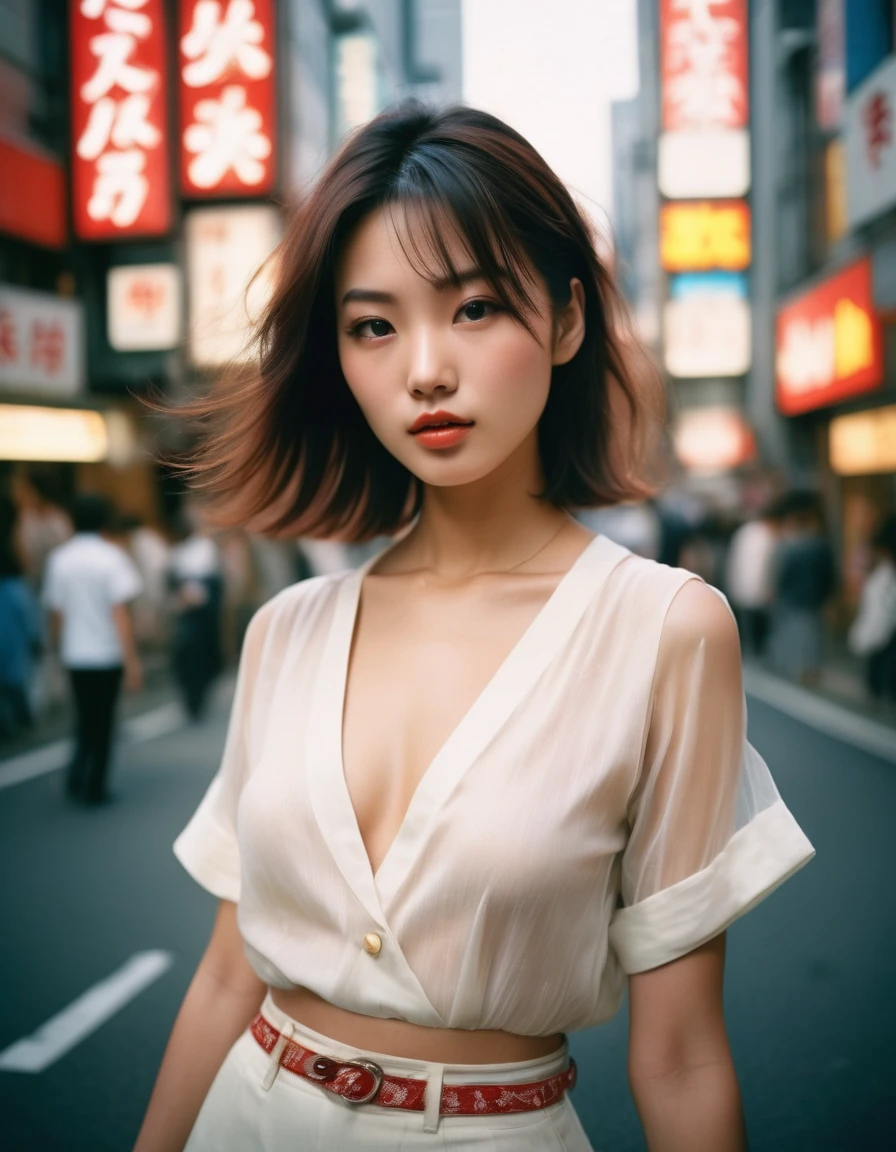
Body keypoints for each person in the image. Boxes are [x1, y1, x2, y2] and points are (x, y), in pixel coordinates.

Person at [136, 103, 815, 1152]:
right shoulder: (286, 631)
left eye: (475, 308)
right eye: (373, 325)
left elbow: (678, 1056)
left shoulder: (665, 632)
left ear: (566, 320)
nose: (423, 371)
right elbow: (230, 973)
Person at [42, 493, 143, 803]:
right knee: (104, 719)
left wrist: (59, 646)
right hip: (107, 653)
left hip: (76, 653)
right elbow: (120, 612)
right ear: (104, 521)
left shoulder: (60, 558)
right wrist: (131, 660)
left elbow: (56, 611)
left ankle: (76, 776)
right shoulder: (112, 557)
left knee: (83, 717)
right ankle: (95, 785)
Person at [768, 492, 837, 688]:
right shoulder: (820, 544)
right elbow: (829, 574)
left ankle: (800, 669)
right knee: (814, 635)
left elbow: (783, 574)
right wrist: (830, 598)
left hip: (793, 597)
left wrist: (776, 591)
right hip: (815, 597)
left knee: (797, 633)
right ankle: (812, 670)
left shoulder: (790, 546)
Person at [168, 509, 224, 722]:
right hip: (186, 613)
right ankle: (192, 698)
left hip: (203, 613)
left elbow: (213, 584)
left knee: (202, 655)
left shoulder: (203, 549)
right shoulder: (178, 552)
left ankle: (198, 696)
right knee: (188, 658)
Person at [0, 494, 43, 740]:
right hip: (12, 651)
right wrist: (35, 638)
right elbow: (26, 615)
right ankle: (20, 718)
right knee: (14, 681)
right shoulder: (13, 579)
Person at [848, 513, 896, 704]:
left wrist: (861, 637)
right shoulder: (884, 575)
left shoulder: (885, 576)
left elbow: (879, 616)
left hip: (883, 642)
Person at [724, 502, 782, 657]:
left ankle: (748, 650)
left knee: (746, 623)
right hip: (759, 589)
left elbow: (734, 560)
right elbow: (768, 566)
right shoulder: (768, 535)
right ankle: (758, 652)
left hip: (742, 586)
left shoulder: (744, 532)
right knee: (759, 624)